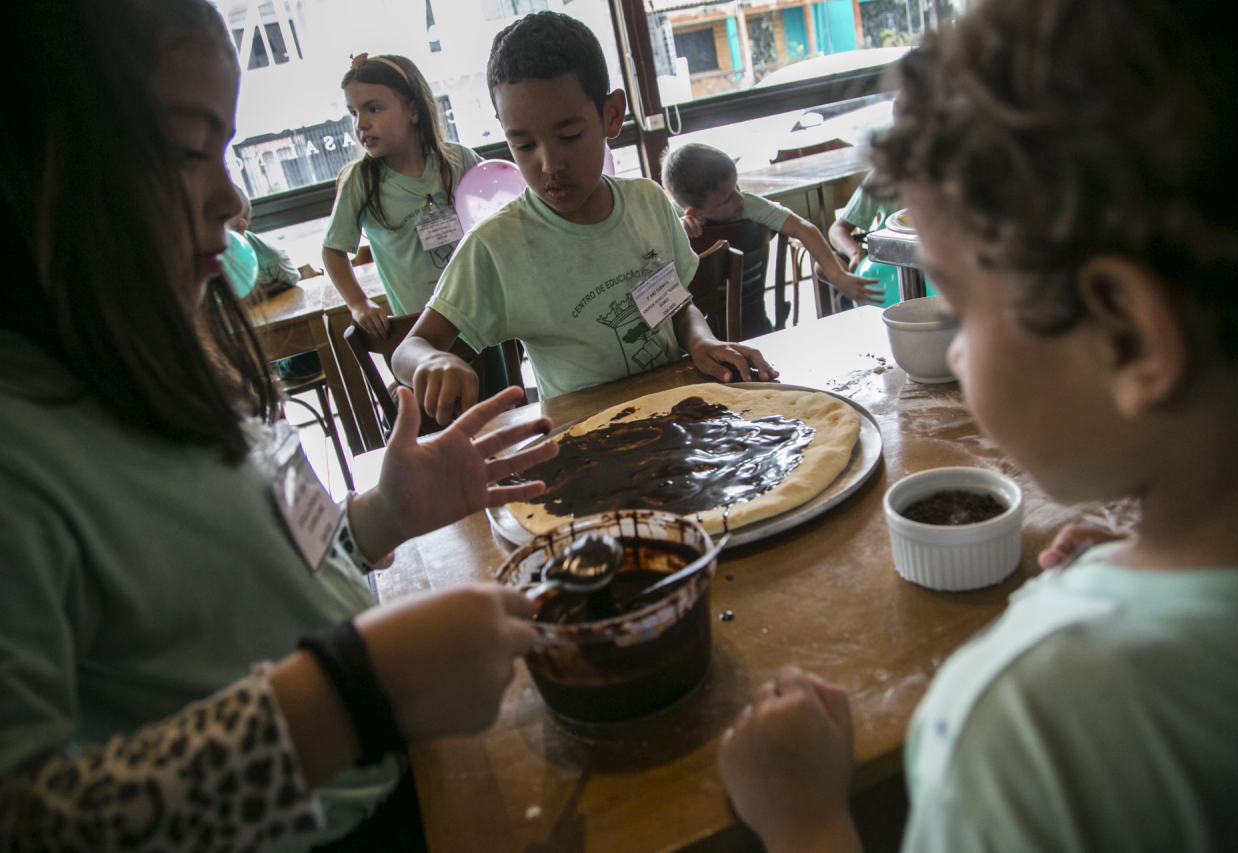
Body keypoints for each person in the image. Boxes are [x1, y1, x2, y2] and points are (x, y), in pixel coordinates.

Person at [716, 0, 1238, 851]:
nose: (959, 350)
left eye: (964, 309)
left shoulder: (1028, 732)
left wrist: (805, 820)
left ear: (1127, 336)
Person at [0, 3, 558, 850]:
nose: (233, 198)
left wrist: (380, 518)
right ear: (40, 161)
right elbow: (30, 817)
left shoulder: (165, 352)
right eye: (191, 151)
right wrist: (349, 695)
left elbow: (257, 568)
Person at [391, 12, 777, 426]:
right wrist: (430, 361)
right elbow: (408, 349)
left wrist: (701, 341)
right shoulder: (495, 246)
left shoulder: (648, 202)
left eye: (569, 136)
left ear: (612, 115)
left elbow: (676, 304)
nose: (550, 163)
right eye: (523, 144)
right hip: (588, 443)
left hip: (680, 419)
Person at [321, 53, 482, 337]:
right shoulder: (360, 181)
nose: (361, 124)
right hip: (422, 334)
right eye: (354, 113)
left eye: (373, 109)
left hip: (482, 317)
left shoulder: (459, 160)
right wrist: (358, 304)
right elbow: (332, 251)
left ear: (413, 110)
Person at [662, 142, 884, 326]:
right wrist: (677, 231)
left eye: (736, 187)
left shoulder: (748, 204)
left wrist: (839, 277)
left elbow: (803, 228)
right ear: (693, 212)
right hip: (698, 330)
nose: (739, 198)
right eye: (727, 198)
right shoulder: (670, 221)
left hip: (752, 322)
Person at [827, 169, 936, 310]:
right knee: (826, 266)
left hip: (933, 259)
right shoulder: (883, 173)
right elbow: (837, 229)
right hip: (884, 258)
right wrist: (855, 254)